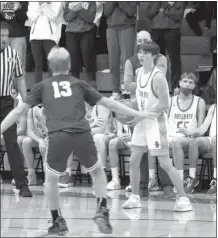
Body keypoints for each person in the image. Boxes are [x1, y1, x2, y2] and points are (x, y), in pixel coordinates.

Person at [0, 46, 157, 235]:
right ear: (69, 65)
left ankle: (57, 219)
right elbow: (109, 102)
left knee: (51, 180)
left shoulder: (42, 86)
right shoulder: (78, 83)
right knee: (98, 171)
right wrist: (137, 112)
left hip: (58, 134)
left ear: (50, 66)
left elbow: (18, 111)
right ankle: (102, 209)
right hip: (82, 133)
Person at [121, 41, 192, 212]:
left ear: (153, 56)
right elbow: (140, 99)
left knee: (165, 164)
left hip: (156, 123)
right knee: (134, 160)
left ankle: (184, 199)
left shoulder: (158, 77)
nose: (140, 55)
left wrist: (143, 114)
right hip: (141, 121)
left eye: (144, 53)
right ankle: (135, 197)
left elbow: (164, 104)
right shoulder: (138, 73)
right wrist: (128, 108)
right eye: (139, 52)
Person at [0, 21, 32, 197]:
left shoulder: (13, 54)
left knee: (12, 142)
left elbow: (20, 78)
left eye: (6, 35)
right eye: (1, 35)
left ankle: (22, 183)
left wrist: (25, 100)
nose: (4, 38)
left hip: (5, 103)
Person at [168, 73, 206, 193]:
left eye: (190, 82)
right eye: (185, 81)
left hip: (189, 138)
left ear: (194, 86)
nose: (187, 84)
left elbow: (201, 128)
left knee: (176, 142)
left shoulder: (199, 101)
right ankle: (153, 179)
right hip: (170, 137)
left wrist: (191, 132)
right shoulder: (170, 101)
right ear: (179, 83)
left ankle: (180, 180)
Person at [146, 2, 186, 92]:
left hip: (172, 31)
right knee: (156, 60)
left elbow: (178, 15)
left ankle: (176, 88)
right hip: (155, 31)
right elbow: (149, 14)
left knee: (174, 60)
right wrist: (158, 5)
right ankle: (157, 88)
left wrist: (164, 4)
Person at [104, 2, 138, 100]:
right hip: (111, 28)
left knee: (127, 60)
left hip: (127, 28)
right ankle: (115, 91)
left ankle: (127, 90)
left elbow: (131, 11)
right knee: (113, 62)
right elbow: (106, 12)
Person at [64, 2, 103, 84]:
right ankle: (74, 89)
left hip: (87, 33)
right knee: (73, 63)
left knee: (89, 62)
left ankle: (92, 89)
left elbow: (90, 18)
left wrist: (79, 9)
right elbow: (66, 18)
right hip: (71, 33)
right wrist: (75, 11)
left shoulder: (91, 2)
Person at [27, 2, 64, 85]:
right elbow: (31, 18)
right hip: (35, 36)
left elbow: (54, 17)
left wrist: (44, 5)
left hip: (50, 36)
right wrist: (38, 6)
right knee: (37, 65)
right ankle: (38, 89)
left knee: (51, 64)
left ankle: (51, 88)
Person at [186, 104, 216, 195]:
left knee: (215, 140)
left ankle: (216, 178)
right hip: (212, 140)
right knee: (194, 141)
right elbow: (204, 127)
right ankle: (192, 178)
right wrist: (193, 132)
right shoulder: (214, 107)